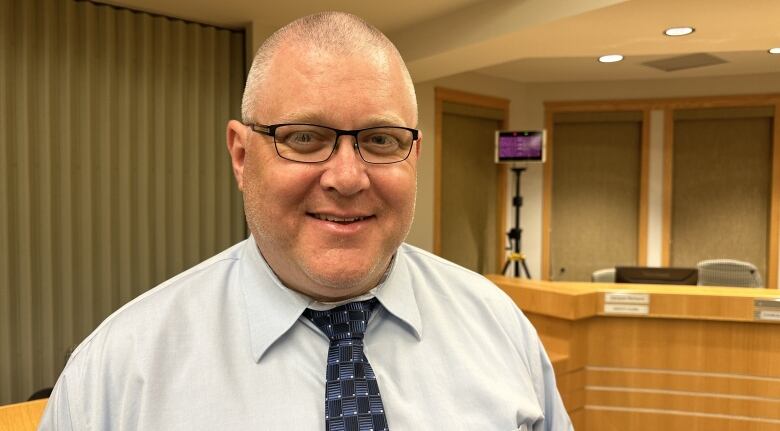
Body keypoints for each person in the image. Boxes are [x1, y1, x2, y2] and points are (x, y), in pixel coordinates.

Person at [39, 11, 572, 431]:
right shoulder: (119, 371)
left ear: (414, 154)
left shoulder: (498, 329)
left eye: (380, 140)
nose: (346, 177)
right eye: (303, 137)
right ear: (242, 155)